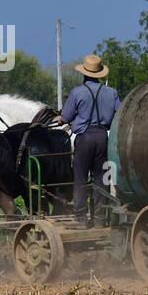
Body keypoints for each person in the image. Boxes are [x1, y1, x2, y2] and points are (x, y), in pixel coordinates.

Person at [56, 54, 119, 226]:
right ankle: (99, 218)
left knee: (80, 178)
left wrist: (61, 119)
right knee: (101, 179)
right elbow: (118, 115)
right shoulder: (112, 93)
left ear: (84, 74)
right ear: (99, 74)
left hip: (84, 139)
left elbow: (66, 116)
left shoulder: (77, 92)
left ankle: (81, 218)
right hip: (102, 138)